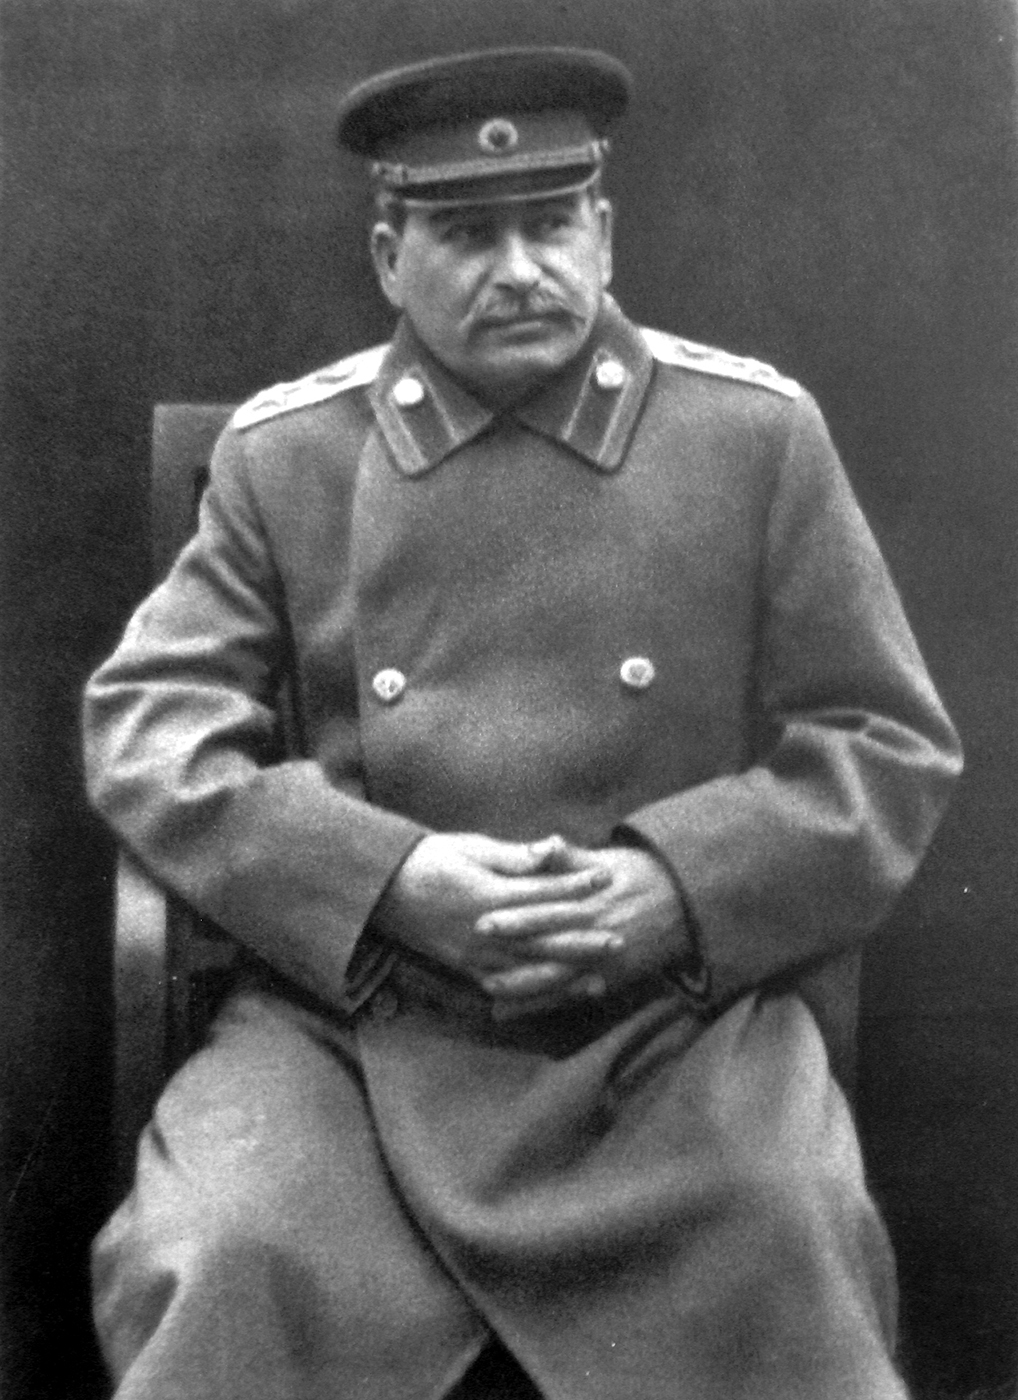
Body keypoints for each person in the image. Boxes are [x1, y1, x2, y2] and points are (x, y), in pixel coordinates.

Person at [83, 45, 962, 1400]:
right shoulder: (285, 456)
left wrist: (674, 889)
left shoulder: (751, 436)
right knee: (226, 1250)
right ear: (390, 258)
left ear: (603, 234)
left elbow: (882, 741)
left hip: (665, 1028)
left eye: (549, 225)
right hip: (353, 1026)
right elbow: (148, 726)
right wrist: (386, 881)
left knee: (785, 1232)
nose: (519, 270)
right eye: (465, 235)